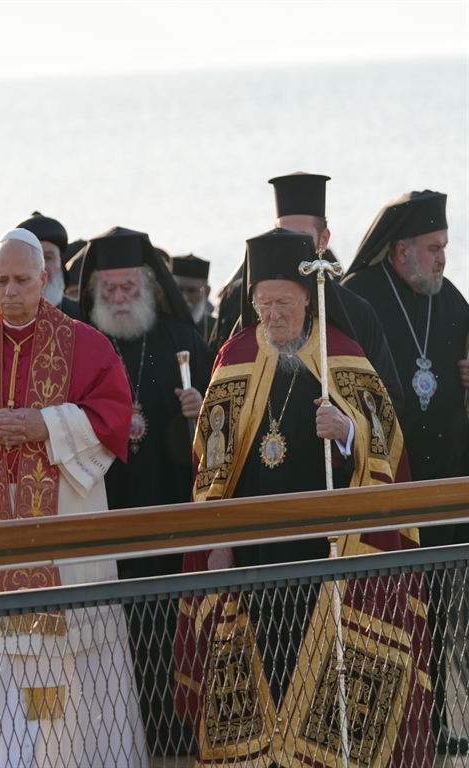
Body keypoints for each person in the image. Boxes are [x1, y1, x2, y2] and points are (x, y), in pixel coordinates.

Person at [174, 228, 429, 768]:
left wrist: (345, 431)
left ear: (307, 298)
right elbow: (211, 466)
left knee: (319, 674)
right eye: (263, 304)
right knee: (261, 660)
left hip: (325, 553)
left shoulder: (341, 353)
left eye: (284, 304)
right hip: (253, 551)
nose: (273, 316)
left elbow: (386, 442)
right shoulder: (235, 356)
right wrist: (215, 543)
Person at [0, 229, 149, 767]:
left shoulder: (86, 343)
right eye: (1, 280)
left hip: (67, 561)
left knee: (78, 699)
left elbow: (114, 416)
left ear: (44, 279)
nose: (9, 291)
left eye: (22, 280)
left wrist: (45, 424)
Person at [77, 227, 214, 756]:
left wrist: (201, 415)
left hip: (169, 514)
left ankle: (177, 735)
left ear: (148, 286)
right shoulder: (80, 344)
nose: (117, 298)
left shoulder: (184, 344)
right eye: (108, 289)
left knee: (169, 627)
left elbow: (224, 431)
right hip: (103, 515)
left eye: (127, 288)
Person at [342, 189, 469, 755]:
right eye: (433, 247)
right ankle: (385, 730)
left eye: (445, 247)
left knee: (444, 613)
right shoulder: (358, 298)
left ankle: (439, 719)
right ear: (399, 251)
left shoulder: (454, 301)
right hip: (387, 486)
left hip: (450, 485)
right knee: (390, 613)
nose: (443, 259)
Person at [209, 172, 406, 415]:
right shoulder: (256, 312)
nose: (289, 246)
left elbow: (389, 404)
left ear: (323, 240)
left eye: (301, 238)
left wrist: (348, 427)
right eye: (283, 234)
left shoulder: (358, 314)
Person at [15, 211, 81, 318]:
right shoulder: (7, 312)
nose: (43, 266)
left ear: (61, 264)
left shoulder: (81, 313)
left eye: (49, 258)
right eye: (34, 258)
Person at [170, 254, 215, 343]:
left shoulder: (217, 330)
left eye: (191, 291)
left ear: (207, 292)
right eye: (179, 290)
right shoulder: (156, 327)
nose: (184, 298)